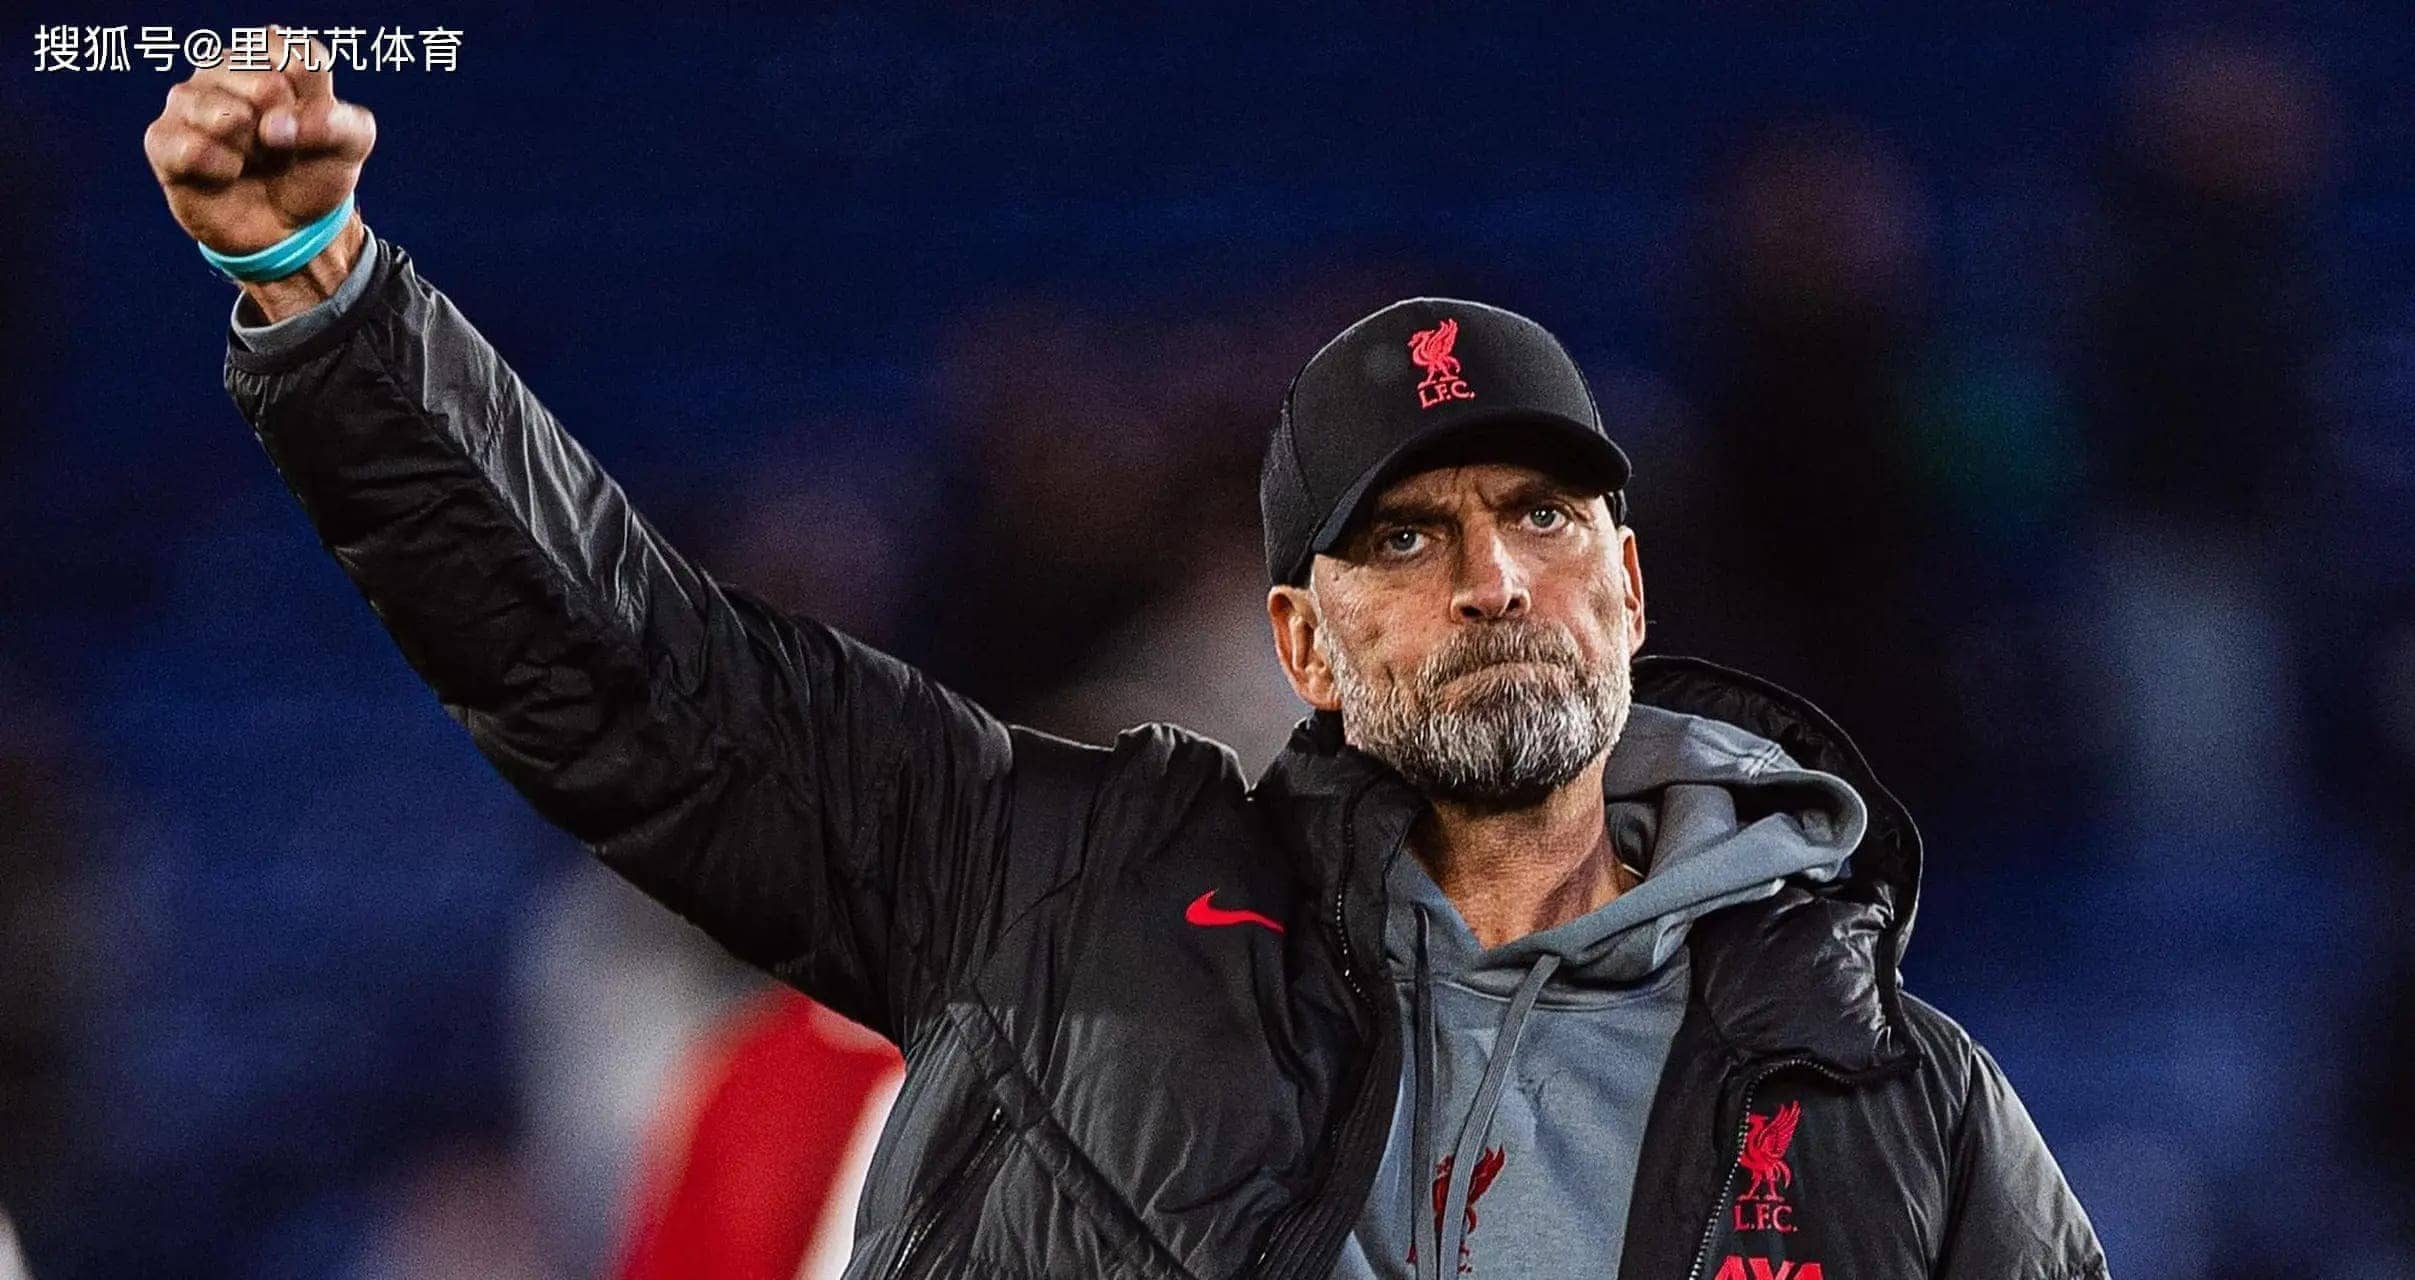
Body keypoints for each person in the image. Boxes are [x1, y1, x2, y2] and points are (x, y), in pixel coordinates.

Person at [143, 33, 2109, 1280]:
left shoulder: (1887, 1095)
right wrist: (329, 309)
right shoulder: (1050, 894)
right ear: (1296, 642)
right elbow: (637, 676)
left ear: (1632, 586)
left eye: (1542, 517)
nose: (1490, 580)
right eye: (1402, 537)